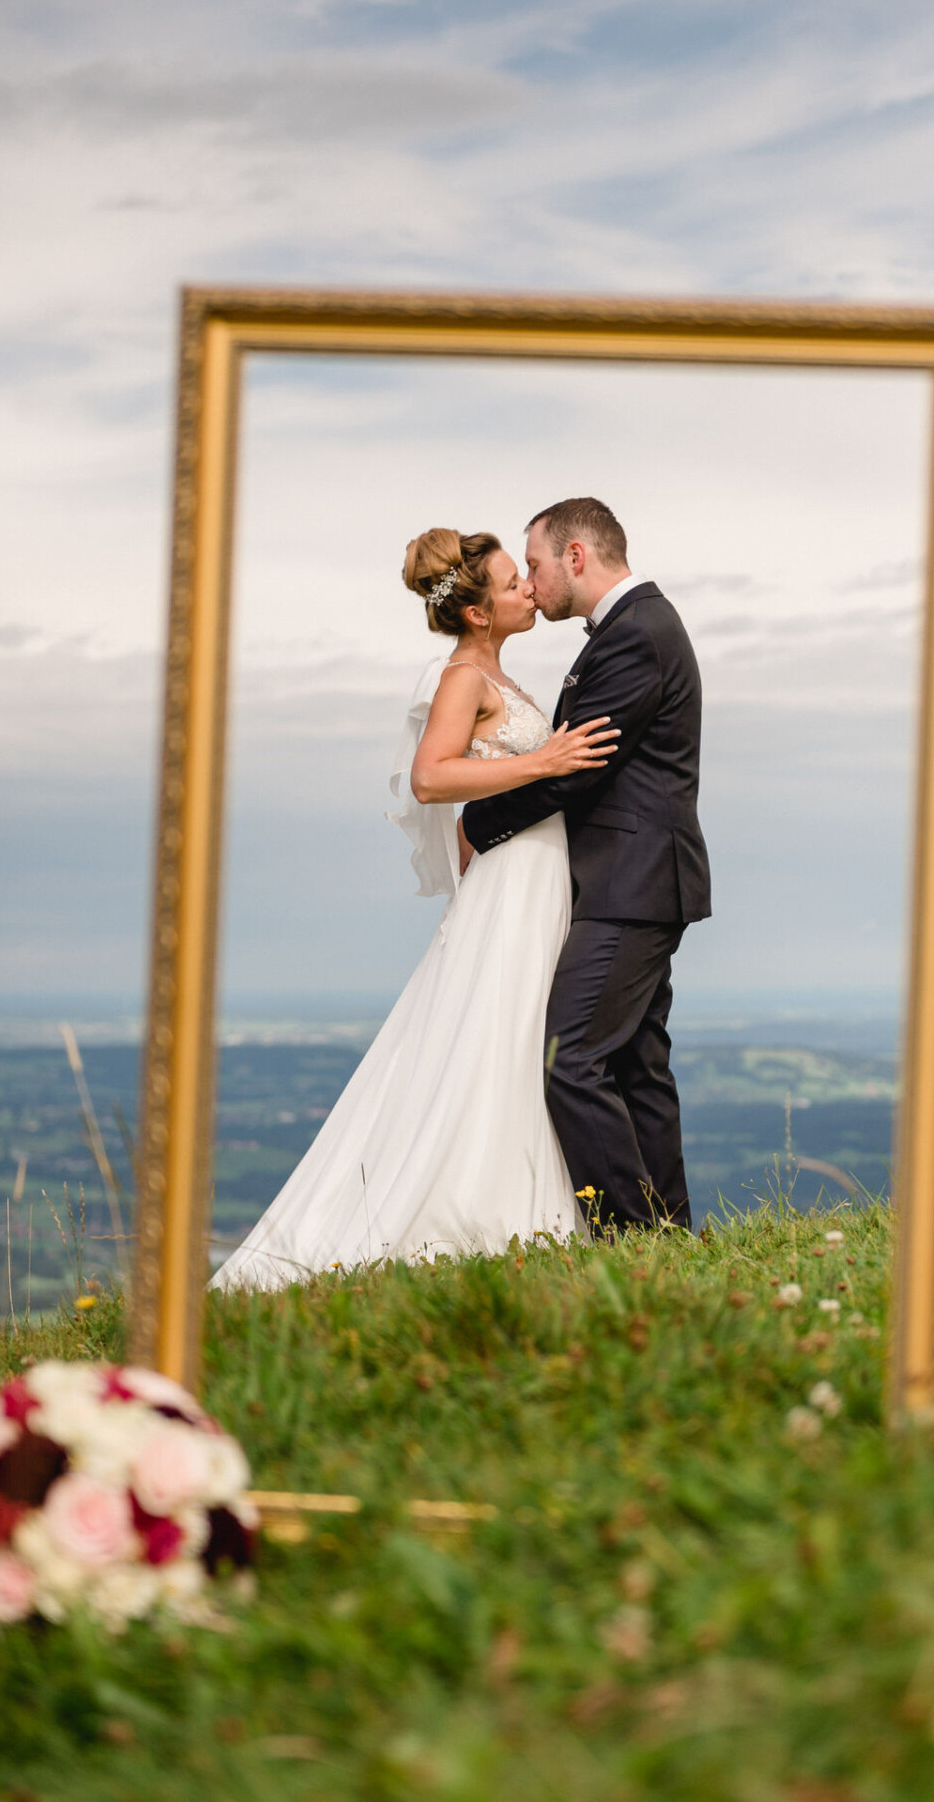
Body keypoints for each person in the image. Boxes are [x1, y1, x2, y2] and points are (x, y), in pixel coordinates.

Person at [210, 528, 618, 1290]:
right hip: (516, 882)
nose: (528, 589)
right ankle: (486, 1215)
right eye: (510, 582)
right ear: (476, 613)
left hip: (533, 875)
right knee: (506, 1030)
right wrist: (546, 760)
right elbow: (430, 778)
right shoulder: (463, 674)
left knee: (526, 1036)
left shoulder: (498, 672)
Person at [461, 498, 711, 1234]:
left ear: (576, 555)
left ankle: (631, 1237)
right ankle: (668, 1235)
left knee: (568, 1059)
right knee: (636, 1066)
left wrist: (478, 823)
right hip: (636, 881)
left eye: (534, 564)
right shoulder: (634, 629)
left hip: (628, 884)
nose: (532, 584)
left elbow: (578, 770)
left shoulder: (637, 634)